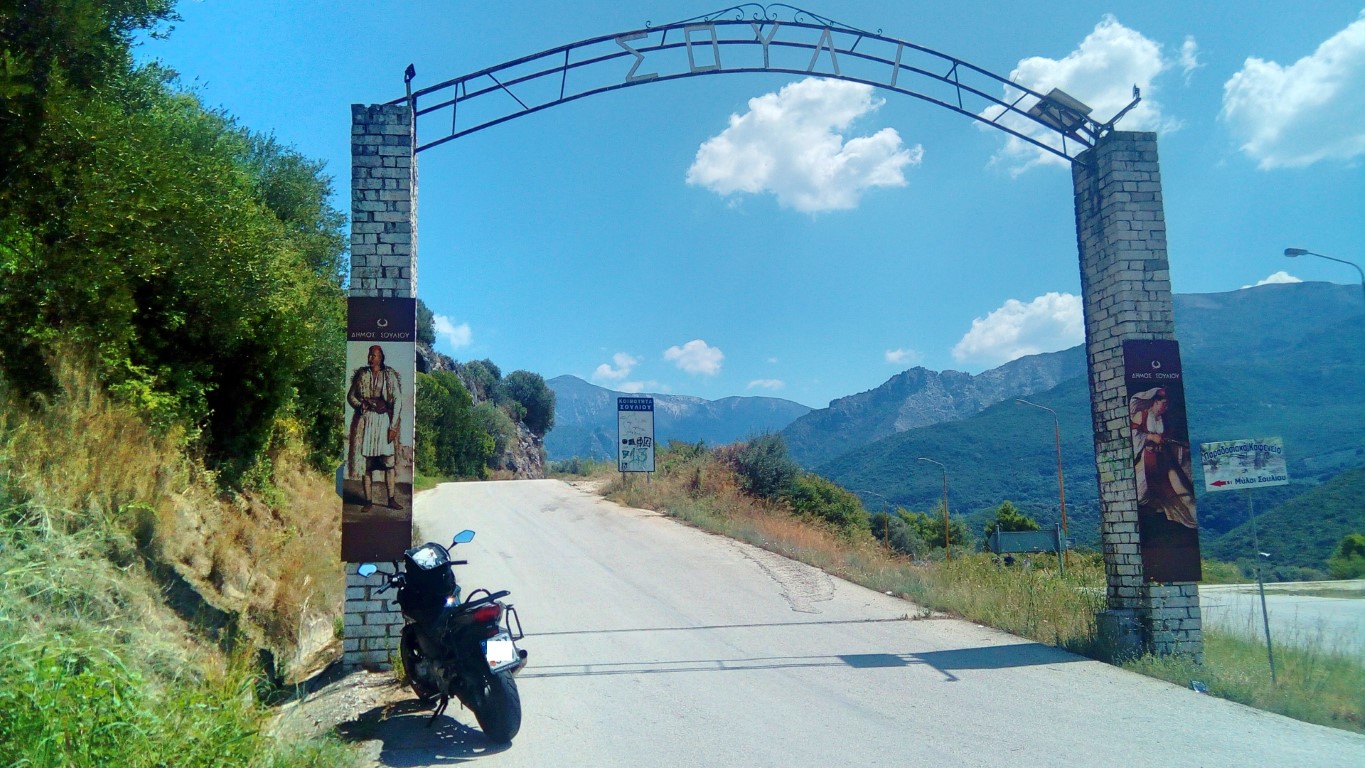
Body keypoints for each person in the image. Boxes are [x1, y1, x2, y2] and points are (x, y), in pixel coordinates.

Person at [1129, 387, 1196, 528]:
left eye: (1167, 405)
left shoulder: (1163, 419)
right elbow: (1132, 437)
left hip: (1164, 459)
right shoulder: (1142, 415)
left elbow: (1169, 439)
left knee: (1181, 490)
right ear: (1156, 402)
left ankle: (1191, 518)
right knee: (1140, 495)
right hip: (1147, 460)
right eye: (1164, 404)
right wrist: (1150, 437)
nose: (1165, 408)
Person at [347, 344, 403, 512]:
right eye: (369, 355)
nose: (370, 358)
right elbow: (351, 396)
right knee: (367, 464)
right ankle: (368, 501)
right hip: (366, 422)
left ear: (380, 358)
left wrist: (393, 427)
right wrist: (361, 405)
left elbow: (398, 400)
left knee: (389, 463)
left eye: (374, 355)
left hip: (384, 421)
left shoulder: (389, 375)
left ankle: (391, 500)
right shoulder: (362, 374)